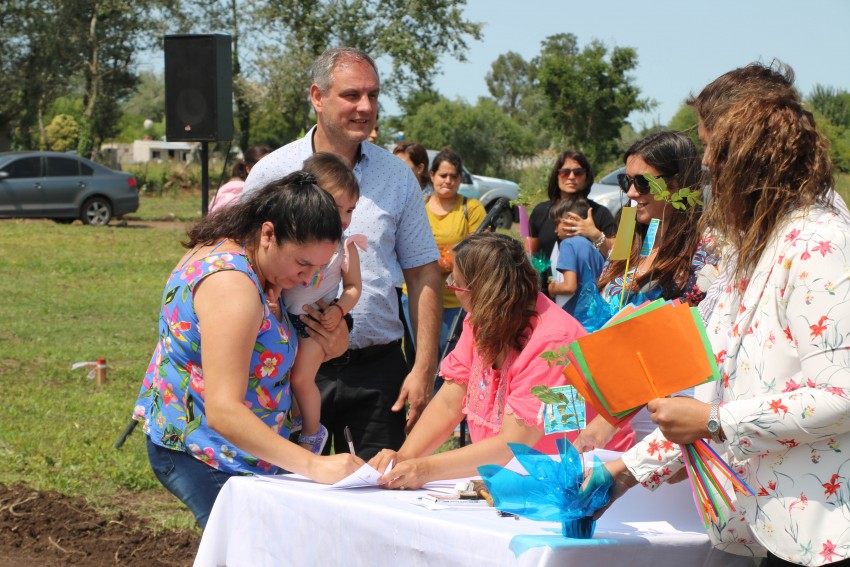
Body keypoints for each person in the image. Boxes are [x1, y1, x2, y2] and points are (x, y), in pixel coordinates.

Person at [600, 61, 850, 567]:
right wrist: (623, 472)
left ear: (754, 154)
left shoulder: (820, 241)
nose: (706, 162)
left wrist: (713, 422)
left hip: (816, 538)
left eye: (712, 146)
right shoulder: (752, 244)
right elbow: (719, 378)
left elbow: (841, 395)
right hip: (749, 527)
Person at [242, 47, 442, 461]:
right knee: (293, 498)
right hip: (290, 364)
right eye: (352, 95)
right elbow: (241, 265)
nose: (365, 107)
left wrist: (423, 367)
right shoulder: (271, 172)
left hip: (377, 372)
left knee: (381, 500)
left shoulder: (398, 176)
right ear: (317, 97)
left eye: (373, 95)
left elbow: (423, 273)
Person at [132, 172, 364, 528]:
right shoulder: (233, 285)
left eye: (318, 268)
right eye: (302, 265)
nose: (306, 280)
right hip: (210, 454)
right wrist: (314, 464)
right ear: (268, 234)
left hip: (233, 451)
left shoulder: (243, 254)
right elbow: (224, 411)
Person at [369, 233, 633, 488]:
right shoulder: (482, 319)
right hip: (518, 478)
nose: (452, 289)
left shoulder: (554, 343)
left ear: (485, 296)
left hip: (583, 481)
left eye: (456, 283)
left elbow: (515, 444)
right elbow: (451, 401)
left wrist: (424, 469)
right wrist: (404, 458)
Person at [577, 130, 720, 446]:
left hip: (661, 422)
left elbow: (679, 347)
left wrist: (607, 420)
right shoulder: (629, 236)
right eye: (625, 182)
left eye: (642, 183)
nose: (630, 193)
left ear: (677, 183)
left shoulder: (704, 251)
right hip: (604, 413)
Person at [283, 152, 365, 454]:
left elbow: (355, 287)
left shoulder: (346, 247)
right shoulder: (291, 236)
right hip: (284, 320)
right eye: (337, 208)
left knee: (302, 378)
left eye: (350, 210)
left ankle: (312, 432)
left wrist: (339, 309)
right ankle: (295, 418)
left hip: (314, 325)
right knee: (285, 375)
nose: (344, 219)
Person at [401, 149, 485, 359]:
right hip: (416, 295)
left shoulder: (471, 208)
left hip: (455, 301)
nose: (448, 181)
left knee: (449, 362)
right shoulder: (417, 205)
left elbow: (481, 250)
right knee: (422, 360)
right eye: (443, 175)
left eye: (453, 176)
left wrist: (447, 259)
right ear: (432, 175)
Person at [529, 150, 616, 295]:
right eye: (565, 172)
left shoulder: (599, 213)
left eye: (578, 172)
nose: (571, 177)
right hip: (548, 294)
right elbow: (531, 253)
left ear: (587, 177)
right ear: (556, 176)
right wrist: (545, 276)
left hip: (588, 301)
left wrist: (594, 234)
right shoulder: (541, 211)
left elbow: (618, 257)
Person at [547, 196, 605, 316]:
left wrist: (553, 289)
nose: (555, 230)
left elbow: (569, 286)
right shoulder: (595, 248)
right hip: (594, 315)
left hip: (575, 315)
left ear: (570, 219)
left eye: (557, 223)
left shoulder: (568, 244)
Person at [208, 144, 273, 214]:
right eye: (265, 167)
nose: (271, 170)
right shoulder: (236, 193)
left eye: (272, 165)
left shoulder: (265, 190)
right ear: (248, 169)